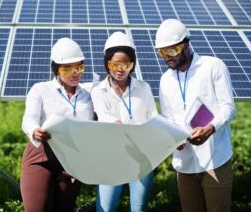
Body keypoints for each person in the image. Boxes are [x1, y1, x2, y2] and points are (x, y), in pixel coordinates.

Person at [156, 19, 236, 212]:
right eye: (162, 52)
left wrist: (210, 128)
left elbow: (228, 107)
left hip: (215, 159)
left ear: (186, 45)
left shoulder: (213, 66)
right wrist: (174, 138)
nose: (167, 57)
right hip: (184, 163)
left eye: (172, 50)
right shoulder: (165, 79)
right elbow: (168, 119)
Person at [20, 37, 94, 212]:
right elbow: (28, 119)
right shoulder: (41, 89)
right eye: (67, 69)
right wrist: (34, 130)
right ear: (55, 68)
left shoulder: (88, 95)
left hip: (71, 163)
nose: (74, 73)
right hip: (41, 157)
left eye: (79, 67)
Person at [91, 31, 157, 212]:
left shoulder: (143, 88)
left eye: (126, 64)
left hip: (141, 159)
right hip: (110, 159)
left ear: (132, 64)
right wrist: (116, 123)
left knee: (139, 209)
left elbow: (153, 118)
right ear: (107, 63)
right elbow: (102, 115)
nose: (120, 69)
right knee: (105, 209)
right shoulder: (99, 91)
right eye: (115, 63)